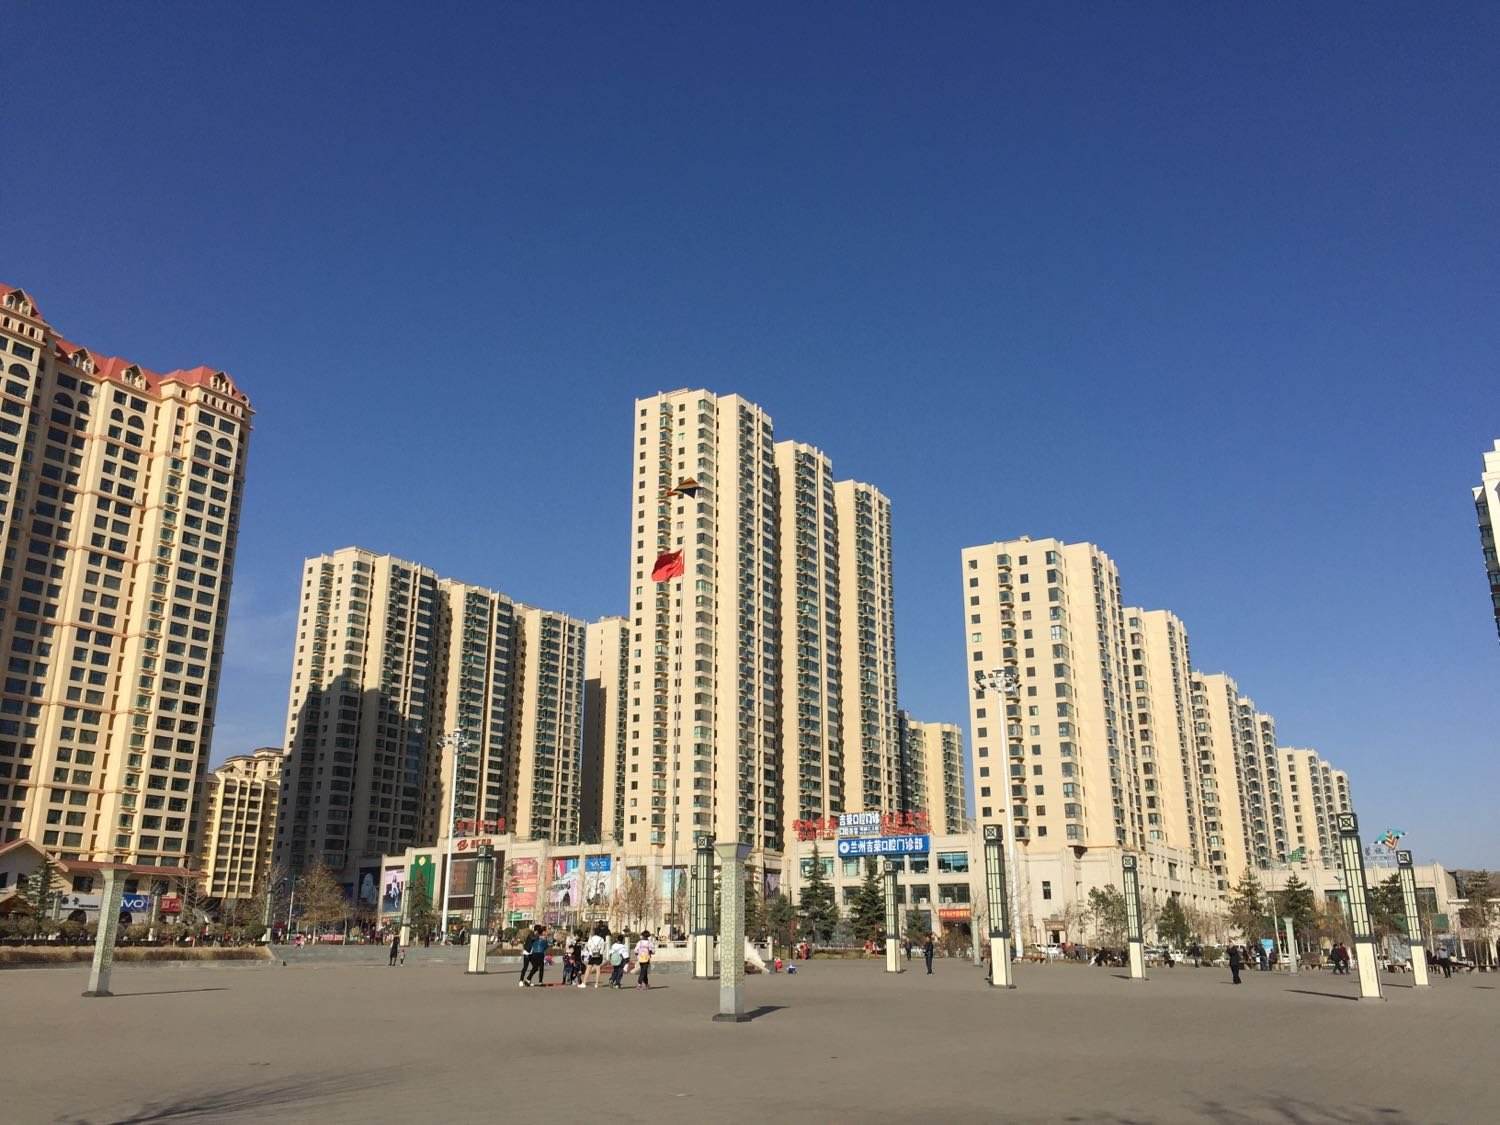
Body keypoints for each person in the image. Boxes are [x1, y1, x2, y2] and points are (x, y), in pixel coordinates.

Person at [582, 924, 607, 988]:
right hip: (599, 955)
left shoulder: (591, 939)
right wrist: (600, 953)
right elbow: (603, 948)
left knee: (588, 969)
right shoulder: (601, 939)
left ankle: (584, 983)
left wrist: (591, 952)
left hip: (592, 955)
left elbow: (588, 946)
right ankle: (596, 984)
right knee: (598, 969)